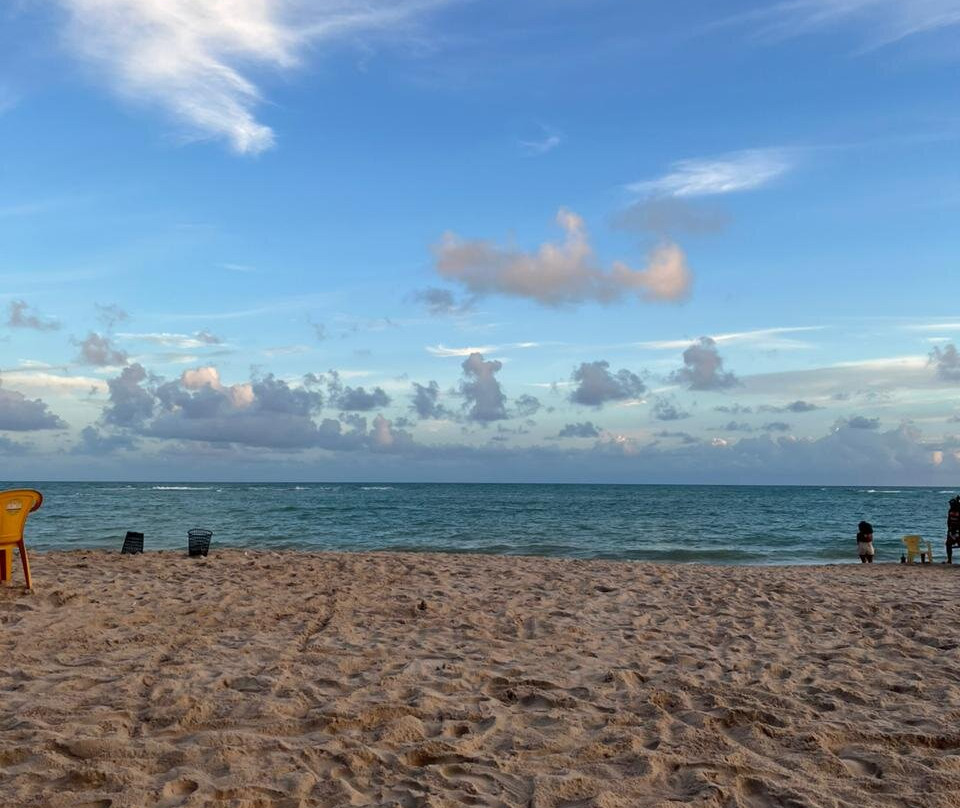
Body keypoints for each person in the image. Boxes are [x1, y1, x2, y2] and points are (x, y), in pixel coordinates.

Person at [946, 496, 960, 564]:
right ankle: (949, 560)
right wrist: (949, 530)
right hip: (951, 531)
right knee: (948, 544)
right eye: (950, 505)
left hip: (958, 531)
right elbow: (948, 521)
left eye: (952, 504)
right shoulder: (950, 511)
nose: (951, 506)